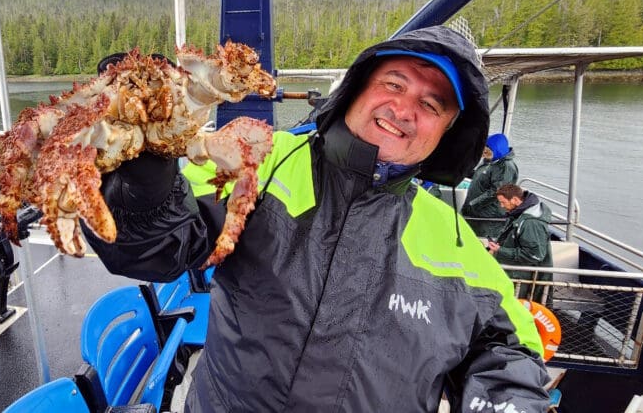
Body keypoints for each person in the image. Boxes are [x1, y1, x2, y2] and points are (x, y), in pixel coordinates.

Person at [85, 26, 549, 412]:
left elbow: (511, 348)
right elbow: (157, 246)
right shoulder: (260, 160)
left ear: (449, 132)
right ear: (356, 88)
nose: (404, 109)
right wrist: (143, 191)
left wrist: (509, 400)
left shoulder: (457, 243)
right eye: (393, 83)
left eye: (432, 105)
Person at [486, 183, 554, 301]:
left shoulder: (531, 223)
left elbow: (534, 255)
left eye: (503, 202)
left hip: (521, 278)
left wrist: (500, 251)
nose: (501, 206)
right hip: (512, 272)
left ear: (515, 200)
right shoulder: (518, 214)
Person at [462, 133, 518, 239]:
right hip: (475, 211)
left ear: (498, 149)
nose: (484, 151)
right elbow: (481, 177)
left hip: (488, 217)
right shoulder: (491, 162)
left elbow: (497, 191)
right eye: (485, 147)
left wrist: (473, 204)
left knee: (481, 242)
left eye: (488, 148)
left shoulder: (505, 167)